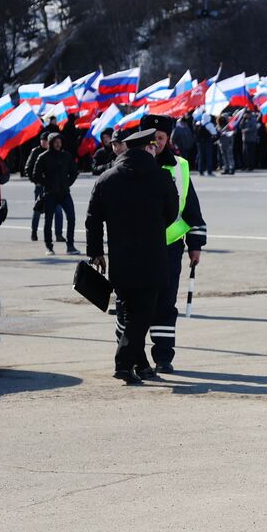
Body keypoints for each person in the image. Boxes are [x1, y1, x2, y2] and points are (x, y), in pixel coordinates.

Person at [85, 128, 179, 385]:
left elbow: (93, 220)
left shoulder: (106, 178)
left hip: (121, 257)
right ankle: (124, 362)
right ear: (147, 148)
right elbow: (172, 214)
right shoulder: (161, 178)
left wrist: (95, 252)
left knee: (130, 312)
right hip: (152, 256)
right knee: (143, 314)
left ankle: (142, 365)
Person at [142, 115, 208, 373]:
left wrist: (195, 244)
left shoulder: (179, 166)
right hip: (137, 246)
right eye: (152, 138)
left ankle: (163, 356)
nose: (156, 143)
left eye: (160, 138)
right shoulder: (130, 164)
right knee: (135, 303)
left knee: (165, 302)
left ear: (168, 139)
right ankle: (130, 355)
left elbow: (191, 208)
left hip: (169, 247)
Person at [30, 132, 80, 255]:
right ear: (51, 143)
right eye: (55, 142)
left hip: (64, 192)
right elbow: (35, 174)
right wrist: (46, 183)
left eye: (59, 142)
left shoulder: (66, 156)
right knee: (48, 221)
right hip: (50, 194)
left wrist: (67, 183)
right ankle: (49, 247)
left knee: (72, 218)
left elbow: (74, 172)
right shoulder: (43, 157)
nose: (58, 144)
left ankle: (70, 246)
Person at [23, 134, 61, 245]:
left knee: (58, 211)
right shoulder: (36, 152)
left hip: (54, 188)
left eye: (47, 141)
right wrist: (35, 180)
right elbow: (28, 168)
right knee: (38, 210)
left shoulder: (56, 153)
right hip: (40, 187)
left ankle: (59, 234)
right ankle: (34, 232)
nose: (45, 143)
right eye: (43, 140)